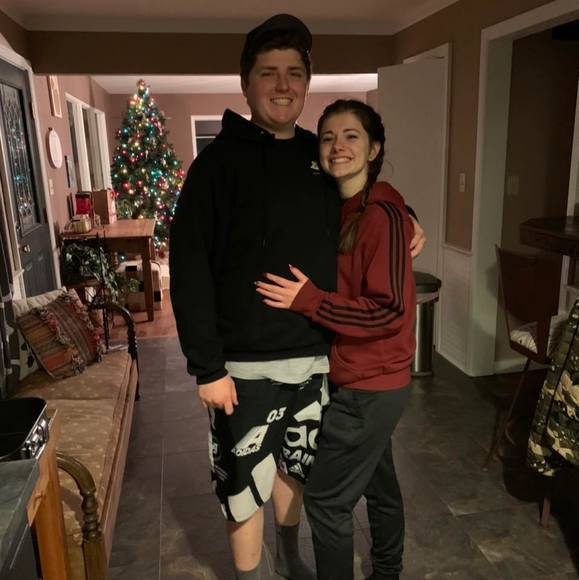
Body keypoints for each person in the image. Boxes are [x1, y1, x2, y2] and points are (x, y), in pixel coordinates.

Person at [170, 15, 424, 580]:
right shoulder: (215, 166)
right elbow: (188, 272)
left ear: (307, 82)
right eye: (269, 73)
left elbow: (365, 195)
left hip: (317, 361)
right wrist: (208, 368)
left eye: (294, 73)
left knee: (295, 469)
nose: (283, 85)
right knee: (244, 486)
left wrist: (407, 214)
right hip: (243, 369)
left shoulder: (319, 156)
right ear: (246, 83)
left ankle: (289, 561)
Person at [255, 99, 416, 580]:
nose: (337, 146)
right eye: (328, 138)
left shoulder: (381, 215)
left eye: (351, 136)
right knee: (380, 486)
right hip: (361, 377)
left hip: (371, 384)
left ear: (374, 148)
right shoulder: (347, 206)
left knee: (326, 500)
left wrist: (310, 300)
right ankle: (387, 572)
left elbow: (388, 309)